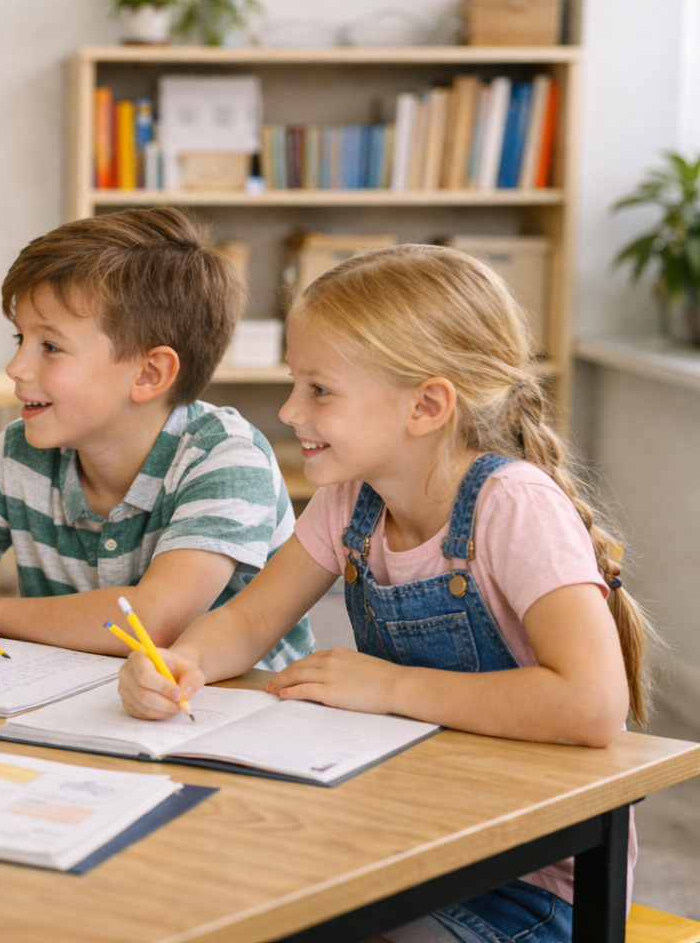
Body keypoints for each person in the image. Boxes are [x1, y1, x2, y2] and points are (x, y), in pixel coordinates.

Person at [119, 244, 649, 943]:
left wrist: (392, 685)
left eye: (320, 389)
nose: (289, 410)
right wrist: (181, 662)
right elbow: (249, 621)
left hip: (529, 886)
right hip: (409, 842)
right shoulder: (349, 503)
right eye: (294, 384)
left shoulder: (515, 506)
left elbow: (592, 705)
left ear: (426, 405)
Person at [0, 207, 313, 665]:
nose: (16, 368)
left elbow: (153, 620)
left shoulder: (227, 457)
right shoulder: (21, 453)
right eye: (21, 340)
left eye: (50, 347)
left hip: (239, 715)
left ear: (150, 373)